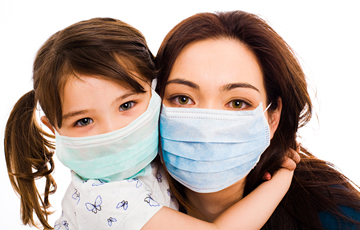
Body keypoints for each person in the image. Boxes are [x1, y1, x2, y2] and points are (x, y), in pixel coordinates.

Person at [4, 17, 297, 230]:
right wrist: (282, 181)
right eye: (84, 120)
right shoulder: (104, 198)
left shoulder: (145, 164)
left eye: (127, 105)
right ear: (54, 129)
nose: (114, 131)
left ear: (153, 91)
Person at [155, 10, 360, 230]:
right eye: (183, 99)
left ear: (273, 118)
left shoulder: (333, 215)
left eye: (237, 103)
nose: (208, 131)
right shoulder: (127, 200)